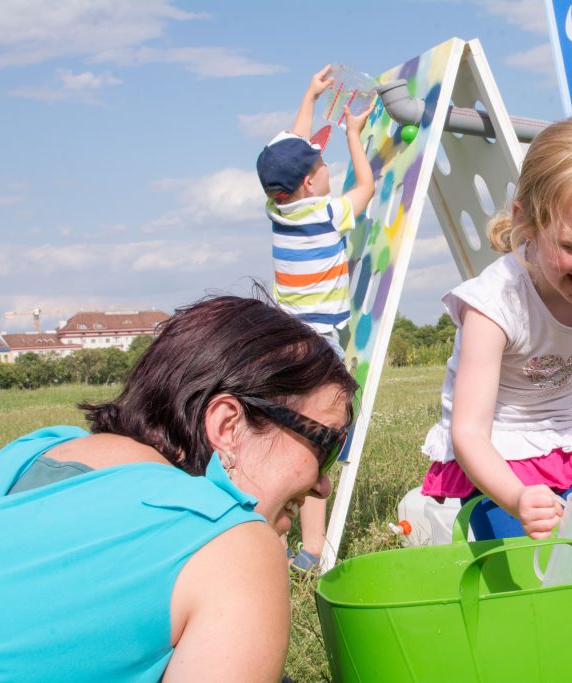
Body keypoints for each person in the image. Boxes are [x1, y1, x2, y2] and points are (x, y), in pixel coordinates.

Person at [0, 295, 356, 681]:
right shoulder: (233, 546)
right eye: (324, 445)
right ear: (227, 426)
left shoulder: (35, 451)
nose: (323, 485)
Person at [420, 116, 572, 541]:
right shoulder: (495, 305)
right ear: (526, 222)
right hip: (496, 454)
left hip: (571, 442)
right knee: (522, 571)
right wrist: (515, 497)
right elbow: (469, 433)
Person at [256, 64, 375, 573]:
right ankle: (313, 548)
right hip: (316, 342)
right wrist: (353, 137)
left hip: (281, 337)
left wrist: (309, 94)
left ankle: (266, 531)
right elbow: (366, 187)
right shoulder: (327, 212)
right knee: (317, 439)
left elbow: (295, 142)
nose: (329, 170)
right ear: (311, 181)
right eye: (322, 165)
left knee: (281, 431)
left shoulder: (278, 208)